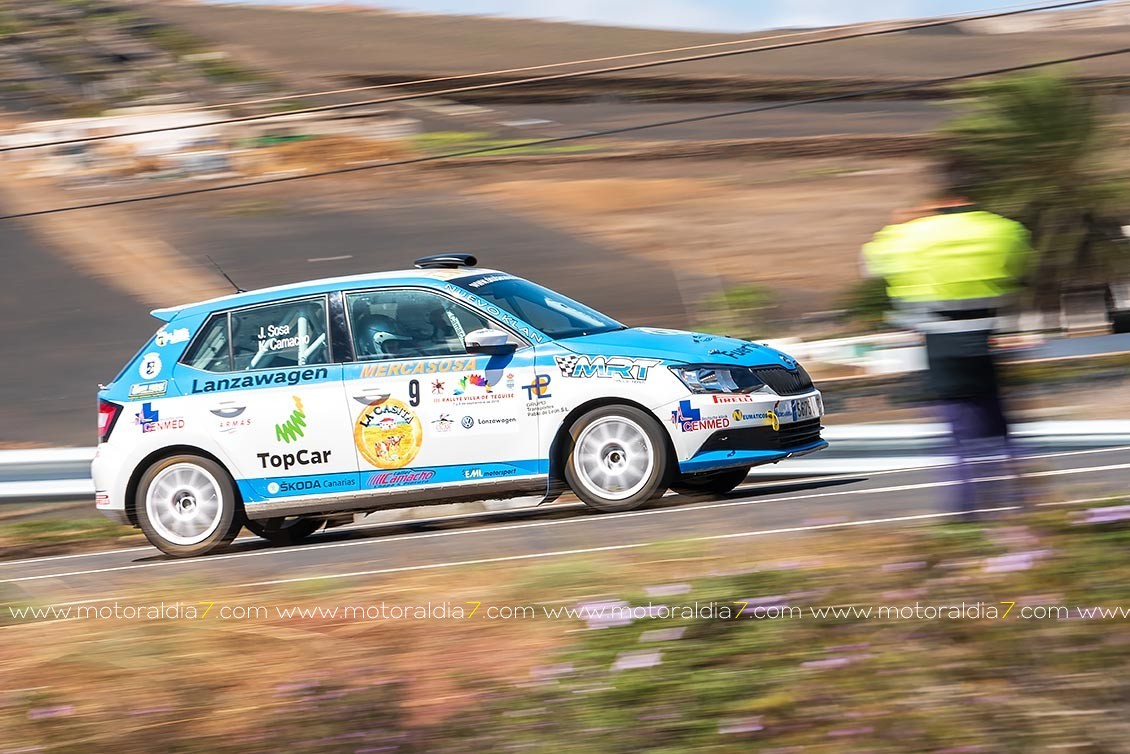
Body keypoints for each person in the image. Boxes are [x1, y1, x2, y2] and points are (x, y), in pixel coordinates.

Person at [862, 158, 1034, 516]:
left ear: (939, 192)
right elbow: (1023, 265)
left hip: (938, 347)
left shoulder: (908, 236)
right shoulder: (1005, 230)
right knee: (1001, 428)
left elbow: (871, 266)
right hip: (989, 340)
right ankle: (1024, 511)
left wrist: (899, 225)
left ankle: (966, 517)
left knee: (959, 436)